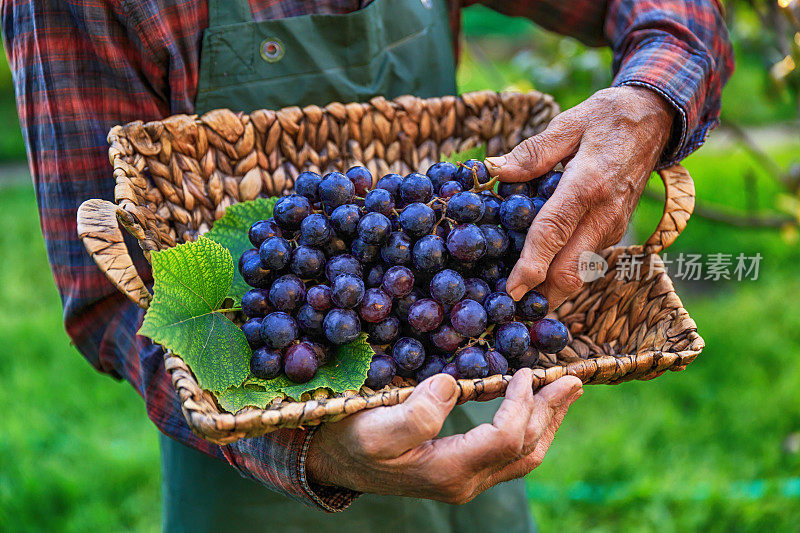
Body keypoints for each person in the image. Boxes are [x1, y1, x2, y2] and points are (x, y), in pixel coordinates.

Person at [2, 0, 733, 531]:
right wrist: (307, 445)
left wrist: (649, 103)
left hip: (472, 394)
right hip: (257, 467)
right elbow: (112, 303)